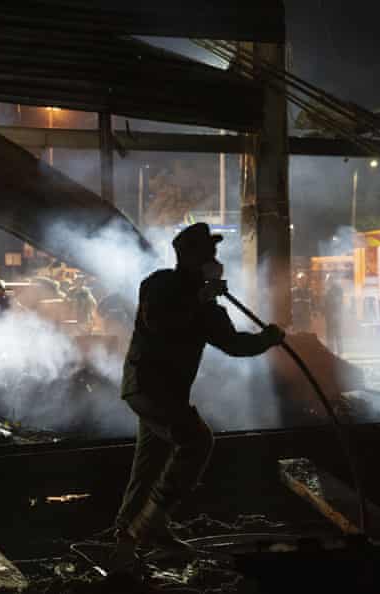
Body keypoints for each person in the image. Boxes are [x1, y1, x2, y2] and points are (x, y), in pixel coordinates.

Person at [111, 222, 285, 569]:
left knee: (150, 466)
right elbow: (160, 323)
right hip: (146, 387)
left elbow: (233, 344)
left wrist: (266, 339)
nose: (214, 259)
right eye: (208, 253)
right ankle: (150, 523)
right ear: (189, 256)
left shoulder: (209, 308)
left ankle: (126, 538)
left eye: (214, 253)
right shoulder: (159, 285)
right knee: (196, 440)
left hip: (168, 395)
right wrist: (199, 297)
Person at [323, 275, 344, 355]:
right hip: (331, 315)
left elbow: (337, 302)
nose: (327, 282)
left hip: (334, 314)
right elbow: (325, 302)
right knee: (332, 333)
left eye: (328, 280)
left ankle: (335, 351)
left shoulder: (335, 289)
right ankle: (335, 350)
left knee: (334, 333)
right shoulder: (330, 289)